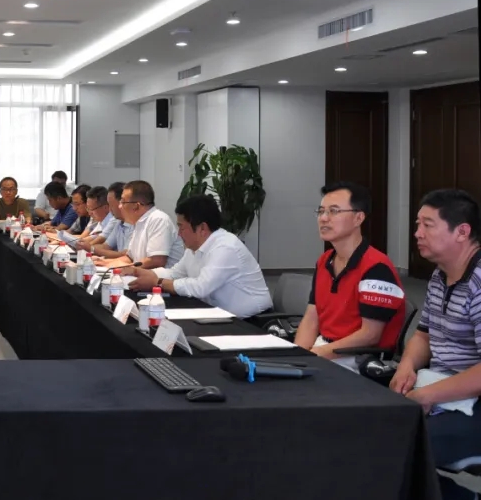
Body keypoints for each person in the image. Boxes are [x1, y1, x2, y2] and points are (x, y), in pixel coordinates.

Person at [389, 190, 481, 500]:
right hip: (442, 389)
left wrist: (427, 395)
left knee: (399, 447)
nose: (417, 233)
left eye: (427, 225)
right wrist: (406, 366)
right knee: (375, 427)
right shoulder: (441, 276)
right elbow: (424, 335)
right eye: (418, 224)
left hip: (471, 403)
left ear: (462, 232)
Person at [294, 182, 406, 370]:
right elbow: (312, 318)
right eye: (321, 211)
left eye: (334, 211)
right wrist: (297, 355)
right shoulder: (324, 261)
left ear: (358, 218)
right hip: (325, 348)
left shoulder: (376, 267)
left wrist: (315, 356)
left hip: (358, 358)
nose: (324, 218)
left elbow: (370, 335)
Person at [127, 195, 273, 318]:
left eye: (181, 227)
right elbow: (175, 273)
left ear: (202, 228)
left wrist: (157, 282)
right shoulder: (194, 248)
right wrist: (143, 273)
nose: (179, 233)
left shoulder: (225, 247)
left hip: (253, 321)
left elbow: (200, 287)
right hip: (219, 316)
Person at [92, 181, 183, 269]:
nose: (120, 206)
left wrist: (127, 268)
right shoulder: (138, 223)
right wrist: (105, 262)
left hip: (163, 278)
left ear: (136, 206)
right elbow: (130, 258)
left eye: (123, 202)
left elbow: (156, 261)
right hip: (143, 275)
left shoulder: (158, 219)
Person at [76, 185, 120, 251]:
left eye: (91, 209)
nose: (89, 213)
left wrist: (84, 247)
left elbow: (99, 241)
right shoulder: (100, 221)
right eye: (88, 208)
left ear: (105, 207)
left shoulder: (114, 220)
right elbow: (90, 238)